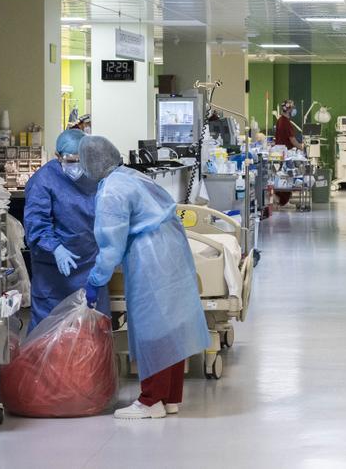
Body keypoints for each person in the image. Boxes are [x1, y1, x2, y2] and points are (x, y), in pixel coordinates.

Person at [79, 135, 211, 420]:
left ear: (90, 164)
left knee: (154, 330)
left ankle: (150, 401)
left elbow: (111, 246)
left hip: (150, 256)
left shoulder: (111, 191)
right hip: (173, 247)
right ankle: (170, 397)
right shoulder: (132, 176)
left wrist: (95, 279)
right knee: (172, 324)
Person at [23, 128, 104, 331]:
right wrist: (55, 248)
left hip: (90, 264)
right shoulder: (43, 181)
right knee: (49, 334)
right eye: (70, 160)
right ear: (57, 156)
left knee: (90, 332)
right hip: (54, 271)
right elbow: (36, 223)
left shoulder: (94, 175)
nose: (76, 165)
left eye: (81, 159)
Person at [273, 100, 302, 206]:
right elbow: (293, 140)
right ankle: (284, 202)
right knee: (287, 178)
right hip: (285, 154)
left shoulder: (280, 120)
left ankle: (281, 200)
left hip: (280, 152)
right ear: (289, 109)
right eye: (293, 108)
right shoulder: (286, 122)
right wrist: (303, 148)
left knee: (281, 178)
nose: (294, 110)